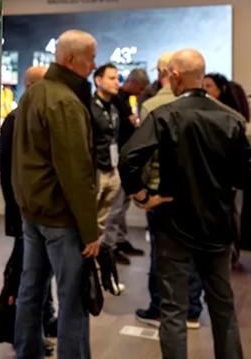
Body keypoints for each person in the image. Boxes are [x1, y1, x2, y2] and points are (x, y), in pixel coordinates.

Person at [119, 49, 251, 359]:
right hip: (218, 224)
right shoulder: (232, 118)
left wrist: (142, 196)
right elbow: (248, 173)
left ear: (175, 76)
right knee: (222, 306)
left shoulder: (165, 115)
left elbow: (128, 159)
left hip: (173, 224)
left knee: (172, 310)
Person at [13, 30, 100, 359]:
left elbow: (21, 156)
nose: (94, 65)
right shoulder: (65, 101)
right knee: (73, 300)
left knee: (30, 291)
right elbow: (75, 172)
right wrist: (90, 230)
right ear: (71, 59)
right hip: (60, 218)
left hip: (33, 213)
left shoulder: (34, 94)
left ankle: (27, 352)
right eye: (91, 58)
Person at [133, 52, 205, 330]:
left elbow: (142, 154)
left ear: (165, 72)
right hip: (196, 190)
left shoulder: (152, 106)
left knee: (162, 253)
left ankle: (159, 308)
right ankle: (192, 309)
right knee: (194, 251)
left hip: (161, 189)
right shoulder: (211, 108)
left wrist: (142, 194)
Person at [0, 66, 56, 353]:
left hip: (31, 213)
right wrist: (19, 214)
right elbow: (11, 174)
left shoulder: (29, 117)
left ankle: (43, 323)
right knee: (26, 276)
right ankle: (25, 336)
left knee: (37, 273)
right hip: (25, 214)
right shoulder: (16, 120)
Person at [203, 73, 251, 267]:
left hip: (227, 177)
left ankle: (230, 253)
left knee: (231, 213)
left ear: (221, 90)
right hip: (212, 176)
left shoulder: (232, 118)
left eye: (208, 86)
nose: (204, 90)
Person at [108, 67, 151, 260]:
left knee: (122, 204)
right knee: (116, 206)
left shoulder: (127, 101)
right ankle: (111, 245)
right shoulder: (116, 100)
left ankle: (119, 240)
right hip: (117, 158)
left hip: (125, 158)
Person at [90, 63, 125, 294]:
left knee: (102, 224)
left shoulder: (114, 107)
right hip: (96, 172)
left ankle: (102, 274)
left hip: (112, 170)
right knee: (90, 226)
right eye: (112, 78)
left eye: (117, 78)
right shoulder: (89, 107)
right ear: (98, 80)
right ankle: (90, 274)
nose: (116, 82)